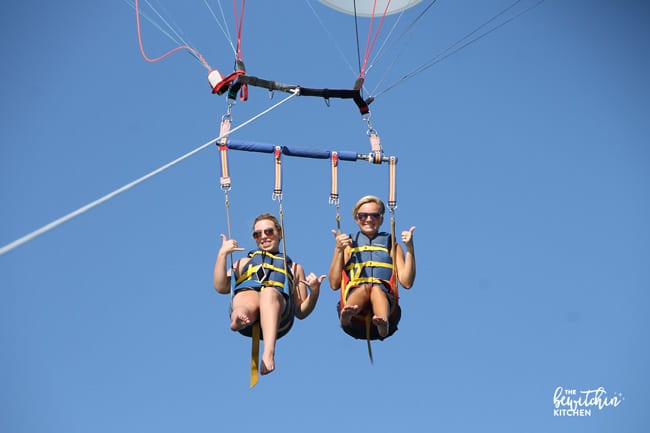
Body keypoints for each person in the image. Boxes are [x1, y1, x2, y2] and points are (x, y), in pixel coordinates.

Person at [213, 213, 324, 376]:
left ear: (280, 233)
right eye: (257, 234)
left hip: (279, 312)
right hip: (248, 298)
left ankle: (268, 353)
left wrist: (314, 292)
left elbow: (301, 311)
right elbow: (221, 286)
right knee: (247, 296)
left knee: (269, 293)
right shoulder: (243, 263)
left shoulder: (294, 268)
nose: (263, 237)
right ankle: (240, 317)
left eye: (269, 232)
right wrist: (222, 254)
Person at [328, 195, 416, 339]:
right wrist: (338, 250)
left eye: (374, 215)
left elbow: (406, 282)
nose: (369, 219)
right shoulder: (348, 244)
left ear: (381, 219)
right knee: (364, 288)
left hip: (385, 300)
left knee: (375, 289)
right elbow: (334, 283)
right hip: (355, 303)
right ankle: (346, 315)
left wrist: (410, 249)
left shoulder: (391, 244)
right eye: (363, 216)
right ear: (357, 219)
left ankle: (382, 323)